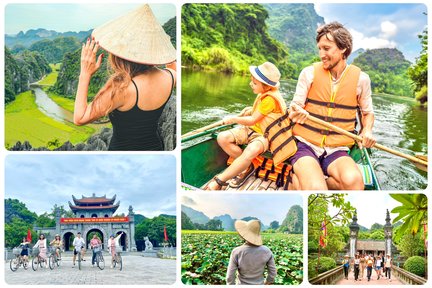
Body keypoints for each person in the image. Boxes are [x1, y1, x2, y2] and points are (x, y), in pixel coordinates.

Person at [73, 4, 176, 151]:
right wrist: (164, 47)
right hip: (155, 149)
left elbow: (79, 118)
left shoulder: (122, 89)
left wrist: (85, 73)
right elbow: (173, 66)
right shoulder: (170, 77)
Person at [288, 21, 376, 190]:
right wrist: (296, 111)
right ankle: (308, 180)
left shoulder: (362, 79)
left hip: (338, 148)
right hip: (305, 145)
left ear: (343, 48)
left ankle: (301, 182)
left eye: (327, 48)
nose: (321, 54)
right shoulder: (309, 73)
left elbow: (367, 113)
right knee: (316, 189)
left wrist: (367, 130)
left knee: (355, 183)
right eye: (320, 48)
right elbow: (294, 107)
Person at [205, 62, 296, 190]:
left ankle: (221, 180)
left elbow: (253, 120)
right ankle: (247, 165)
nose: (250, 84)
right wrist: (250, 110)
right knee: (222, 138)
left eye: (254, 83)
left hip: (264, 135)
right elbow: (258, 114)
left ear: (266, 86)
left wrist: (233, 119)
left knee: (251, 150)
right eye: (251, 81)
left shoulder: (270, 99)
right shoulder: (263, 94)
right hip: (250, 130)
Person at [226, 219, 276, 284]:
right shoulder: (266, 251)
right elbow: (273, 273)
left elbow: (229, 277)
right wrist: (267, 283)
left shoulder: (236, 251)